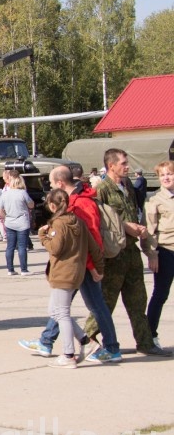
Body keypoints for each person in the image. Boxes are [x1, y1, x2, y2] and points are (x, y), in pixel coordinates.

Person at [18, 166, 122, 363]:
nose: (49, 187)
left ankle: (109, 347)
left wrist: (92, 267)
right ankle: (48, 341)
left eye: (50, 183)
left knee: (88, 307)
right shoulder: (77, 201)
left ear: (60, 183)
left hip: (80, 266)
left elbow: (91, 238)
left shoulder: (82, 203)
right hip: (79, 265)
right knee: (62, 308)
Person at [83, 148, 170, 357]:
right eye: (123, 163)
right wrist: (125, 226)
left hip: (131, 253)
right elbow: (100, 220)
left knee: (137, 300)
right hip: (113, 254)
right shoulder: (102, 189)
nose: (127, 166)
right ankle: (88, 339)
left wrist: (146, 244)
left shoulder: (128, 185)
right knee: (106, 302)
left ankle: (145, 342)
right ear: (111, 165)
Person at [39, 189, 103, 369]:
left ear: (52, 206)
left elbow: (56, 248)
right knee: (55, 311)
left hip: (62, 273)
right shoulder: (79, 222)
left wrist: (43, 236)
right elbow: (94, 247)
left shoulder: (58, 224)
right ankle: (85, 340)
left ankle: (68, 354)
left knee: (62, 313)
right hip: (76, 272)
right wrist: (99, 268)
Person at [145, 160, 174, 350]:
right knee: (160, 294)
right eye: (162, 175)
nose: (166, 178)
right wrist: (152, 254)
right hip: (165, 251)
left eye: (169, 174)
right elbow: (149, 230)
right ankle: (150, 335)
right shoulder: (154, 200)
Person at [0, 174, 34, 275]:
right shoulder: (23, 193)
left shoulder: (5, 194)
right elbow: (31, 204)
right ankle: (24, 269)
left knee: (10, 247)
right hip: (22, 222)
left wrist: (6, 217)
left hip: (9, 222)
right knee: (22, 247)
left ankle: (10, 269)